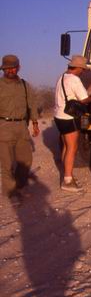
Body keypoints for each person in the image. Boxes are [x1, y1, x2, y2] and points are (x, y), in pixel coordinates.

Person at [53, 55, 91, 192]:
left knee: (66, 145)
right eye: (82, 69)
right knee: (72, 148)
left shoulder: (62, 77)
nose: (82, 72)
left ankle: (66, 174)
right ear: (78, 68)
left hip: (59, 116)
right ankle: (68, 181)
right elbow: (83, 100)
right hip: (69, 118)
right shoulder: (75, 79)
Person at [0, 54, 39, 202]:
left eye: (13, 67)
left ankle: (20, 186)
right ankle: (11, 192)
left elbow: (32, 104)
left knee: (26, 160)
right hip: (3, 127)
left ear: (18, 68)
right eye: (7, 68)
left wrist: (35, 123)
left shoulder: (24, 85)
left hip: (22, 126)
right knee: (7, 163)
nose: (10, 70)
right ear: (3, 69)